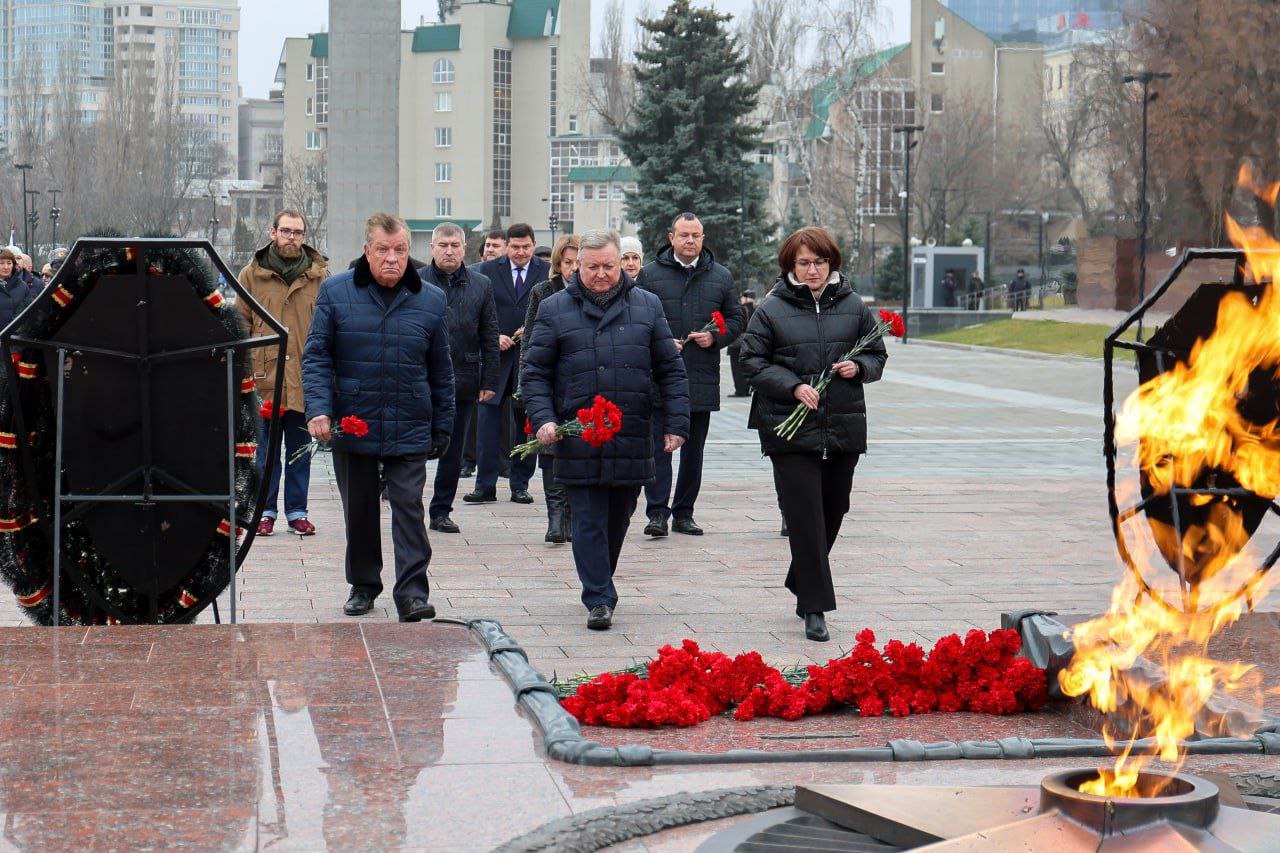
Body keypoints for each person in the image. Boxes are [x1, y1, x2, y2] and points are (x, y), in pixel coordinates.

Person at [521, 229, 689, 631]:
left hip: (631, 431)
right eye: (592, 267)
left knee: (619, 517)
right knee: (588, 518)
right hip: (578, 433)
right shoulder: (555, 308)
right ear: (577, 266)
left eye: (608, 267)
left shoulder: (647, 305)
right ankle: (598, 595)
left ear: (622, 264)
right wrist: (544, 418)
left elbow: (670, 369)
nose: (600, 274)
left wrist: (677, 423)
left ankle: (601, 579)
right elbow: (535, 372)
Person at [303, 213, 455, 622]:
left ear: (410, 252)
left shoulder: (431, 298)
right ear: (367, 250)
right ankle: (364, 585)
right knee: (361, 508)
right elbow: (316, 356)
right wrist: (318, 409)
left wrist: (444, 422)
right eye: (383, 250)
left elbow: (442, 368)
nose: (392, 258)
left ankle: (412, 593)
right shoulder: (335, 292)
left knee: (408, 506)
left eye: (400, 250)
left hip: (409, 417)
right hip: (356, 420)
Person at [738, 226, 887, 643]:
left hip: (842, 422)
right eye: (803, 263)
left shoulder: (854, 305)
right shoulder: (771, 309)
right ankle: (815, 607)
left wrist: (859, 368)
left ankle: (800, 576)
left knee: (834, 507)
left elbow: (877, 353)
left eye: (819, 262)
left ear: (831, 262)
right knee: (805, 515)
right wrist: (792, 385)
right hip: (788, 426)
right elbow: (750, 359)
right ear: (791, 265)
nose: (812, 270)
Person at [638, 212, 744, 537]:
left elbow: (738, 318)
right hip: (659, 378)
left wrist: (716, 337)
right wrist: (660, 341)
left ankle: (684, 512)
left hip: (700, 377)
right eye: (684, 235)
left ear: (703, 238)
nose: (690, 241)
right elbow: (635, 319)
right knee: (658, 449)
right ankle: (657, 514)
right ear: (671, 237)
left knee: (693, 451)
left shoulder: (721, 277)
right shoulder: (649, 275)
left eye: (695, 235)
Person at [238, 210, 330, 537]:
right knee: (264, 453)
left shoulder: (320, 276)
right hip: (266, 379)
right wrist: (247, 368)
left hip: (305, 378)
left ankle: (297, 511)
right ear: (273, 231)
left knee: (300, 452)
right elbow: (241, 323)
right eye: (287, 231)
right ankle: (264, 511)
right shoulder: (251, 275)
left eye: (298, 232)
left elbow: (330, 326)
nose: (292, 238)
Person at [423, 223, 500, 534]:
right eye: (443, 244)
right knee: (415, 448)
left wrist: (490, 379)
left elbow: (490, 333)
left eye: (455, 244)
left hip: (464, 379)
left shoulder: (481, 285)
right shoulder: (416, 281)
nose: (449, 250)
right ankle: (407, 504)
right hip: (421, 380)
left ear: (465, 247)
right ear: (432, 248)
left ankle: (441, 510)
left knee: (453, 452)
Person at [467, 223, 547, 505]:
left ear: (534, 244)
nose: (521, 252)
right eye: (515, 247)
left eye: (526, 247)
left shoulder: (545, 272)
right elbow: (476, 313)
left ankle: (520, 484)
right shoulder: (486, 271)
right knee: (487, 422)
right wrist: (492, 336)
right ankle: (484, 484)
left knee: (525, 421)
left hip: (530, 357)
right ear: (506, 245)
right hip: (495, 357)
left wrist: (533, 329)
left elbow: (550, 311)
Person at [520, 234, 579, 543]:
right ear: (558, 264)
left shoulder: (592, 292)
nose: (573, 269)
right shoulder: (543, 292)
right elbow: (528, 341)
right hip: (549, 382)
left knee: (576, 446)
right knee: (549, 445)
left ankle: (571, 516)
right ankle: (555, 517)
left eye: (578, 262)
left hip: (579, 382)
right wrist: (524, 386)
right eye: (567, 262)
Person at [461, 231, 512, 478]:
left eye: (496, 245)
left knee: (504, 416)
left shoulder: (511, 276)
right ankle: (468, 460)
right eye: (488, 245)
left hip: (510, 354)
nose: (491, 249)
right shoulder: (474, 273)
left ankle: (504, 462)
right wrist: (493, 336)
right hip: (479, 353)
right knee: (476, 414)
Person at [728, 289, 757, 396]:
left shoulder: (742, 309)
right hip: (751, 343)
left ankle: (740, 390)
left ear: (744, 298)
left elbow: (737, 325)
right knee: (747, 367)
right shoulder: (756, 309)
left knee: (736, 368)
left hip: (737, 343)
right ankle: (747, 389)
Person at [0, 248, 34, 327]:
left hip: (15, 336)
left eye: (9, 263)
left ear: (13, 265)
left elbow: (28, 312)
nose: (6, 267)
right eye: (1, 263)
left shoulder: (22, 286)